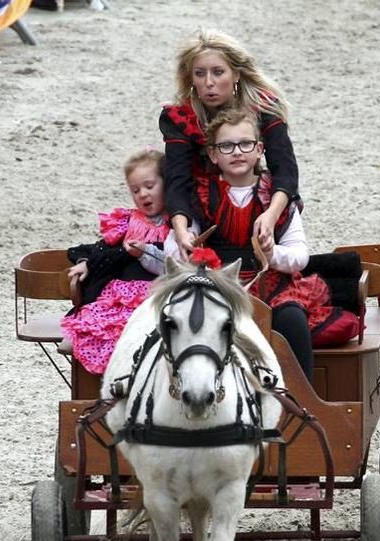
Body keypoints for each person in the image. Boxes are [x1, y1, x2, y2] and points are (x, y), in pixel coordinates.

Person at [165, 109, 360, 380]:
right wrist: (184, 246)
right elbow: (175, 244)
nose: (236, 152)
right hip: (217, 286)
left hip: (272, 287)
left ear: (259, 150)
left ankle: (302, 397)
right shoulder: (200, 196)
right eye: (226, 146)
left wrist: (272, 252)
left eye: (245, 144)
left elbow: (299, 255)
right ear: (213, 154)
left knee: (291, 319)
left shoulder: (276, 198)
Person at [160, 30, 298, 258]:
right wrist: (181, 230)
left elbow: (285, 170)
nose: (209, 83)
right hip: (199, 205)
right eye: (200, 74)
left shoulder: (263, 108)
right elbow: (177, 179)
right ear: (191, 78)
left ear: (236, 74)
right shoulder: (180, 117)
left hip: (252, 194)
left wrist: (271, 215)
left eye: (218, 72)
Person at [60, 148, 170, 374]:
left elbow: (178, 261)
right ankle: (112, 381)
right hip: (122, 297)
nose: (143, 194)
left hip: (157, 294)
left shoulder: (177, 223)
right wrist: (86, 263)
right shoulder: (126, 221)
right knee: (103, 330)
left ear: (167, 183)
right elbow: (100, 249)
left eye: (150, 186)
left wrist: (147, 251)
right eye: (135, 190)